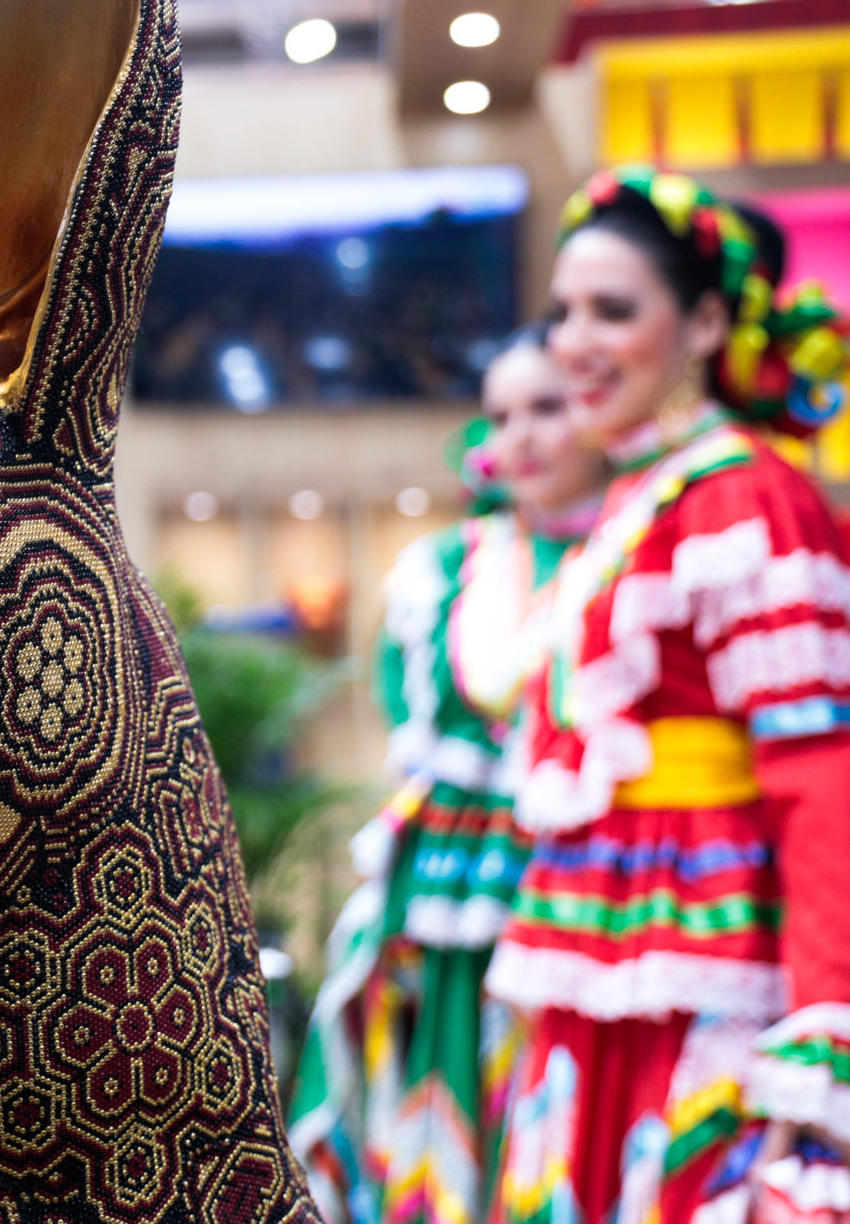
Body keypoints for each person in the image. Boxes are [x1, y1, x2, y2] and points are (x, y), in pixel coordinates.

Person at [490, 167, 850, 1224]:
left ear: (701, 324)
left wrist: (827, 1019)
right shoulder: (645, 496)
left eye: (611, 310)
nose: (573, 343)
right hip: (617, 932)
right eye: (562, 313)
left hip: (722, 952)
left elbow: (813, 764)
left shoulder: (744, 495)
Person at [291, 327, 609, 1224]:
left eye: (548, 407)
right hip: (442, 890)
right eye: (502, 415)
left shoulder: (640, 555)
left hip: (586, 887)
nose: (522, 436)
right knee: (436, 1110)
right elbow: (409, 721)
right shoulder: (440, 570)